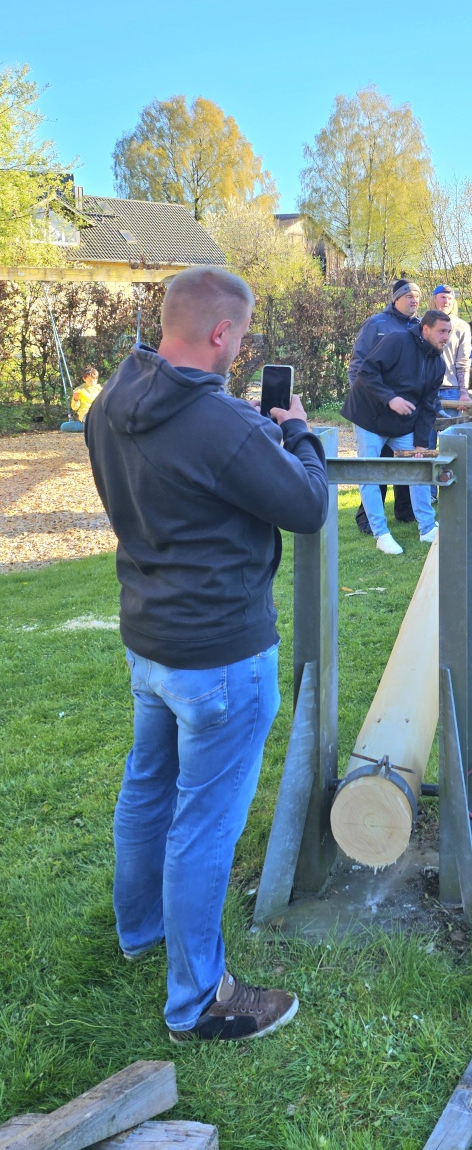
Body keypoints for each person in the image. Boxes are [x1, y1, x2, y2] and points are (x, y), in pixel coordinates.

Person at [85, 266, 329, 1043]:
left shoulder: (110, 403)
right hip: (220, 653)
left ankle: (141, 933)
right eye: (242, 334)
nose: (242, 347)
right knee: (204, 823)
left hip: (151, 639)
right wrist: (297, 431)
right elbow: (309, 505)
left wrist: (254, 435)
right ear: (222, 332)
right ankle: (198, 1001)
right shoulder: (220, 423)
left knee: (148, 788)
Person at [341, 309, 450, 555]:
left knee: (420, 467)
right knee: (369, 473)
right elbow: (366, 372)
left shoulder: (438, 363)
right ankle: (381, 534)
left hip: (402, 425)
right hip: (369, 417)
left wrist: (421, 444)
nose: (446, 337)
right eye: (441, 331)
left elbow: (428, 407)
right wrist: (390, 398)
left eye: (448, 332)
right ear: (425, 329)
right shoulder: (396, 341)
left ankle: (427, 528)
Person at [348, 279, 420, 532]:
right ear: (396, 298)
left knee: (407, 463)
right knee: (374, 465)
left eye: (417, 296)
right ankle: (367, 519)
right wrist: (368, 400)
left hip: (404, 410)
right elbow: (357, 366)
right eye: (409, 296)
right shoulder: (376, 324)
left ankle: (406, 512)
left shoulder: (420, 327)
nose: (414, 300)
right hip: (374, 408)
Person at [431, 285, 472, 414]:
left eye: (449, 298)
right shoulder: (421, 324)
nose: (446, 301)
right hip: (425, 387)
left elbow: (463, 362)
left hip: (450, 388)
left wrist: (463, 393)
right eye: (442, 297)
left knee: (450, 426)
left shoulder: (462, 327)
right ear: (434, 299)